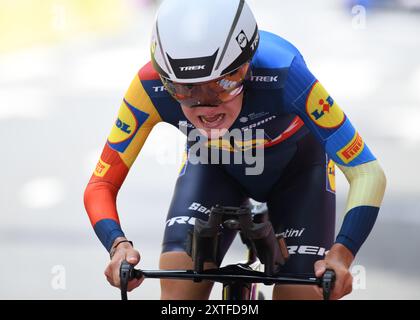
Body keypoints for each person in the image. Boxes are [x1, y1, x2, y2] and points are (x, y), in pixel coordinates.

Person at [84, 0, 386, 300]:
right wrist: (118, 245)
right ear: (164, 79)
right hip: (214, 167)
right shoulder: (149, 86)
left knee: (302, 294)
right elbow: (100, 184)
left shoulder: (284, 73)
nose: (206, 107)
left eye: (224, 84)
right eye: (185, 90)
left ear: (247, 65)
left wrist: (342, 253)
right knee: (178, 292)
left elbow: (367, 172)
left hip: (298, 172)